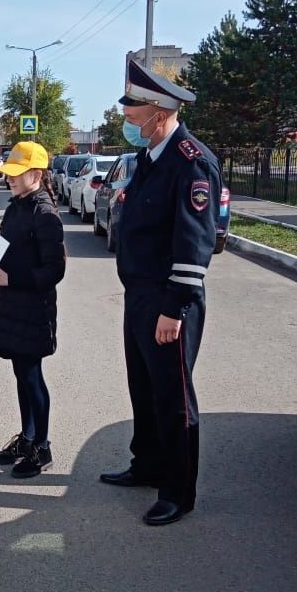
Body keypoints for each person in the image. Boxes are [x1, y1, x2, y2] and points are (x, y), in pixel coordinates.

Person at [99, 59, 222, 526]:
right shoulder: (150, 159)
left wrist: (174, 308)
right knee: (143, 387)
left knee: (173, 396)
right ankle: (146, 464)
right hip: (140, 297)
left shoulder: (191, 162)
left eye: (134, 118)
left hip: (170, 302)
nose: (130, 125)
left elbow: (194, 244)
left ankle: (177, 491)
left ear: (160, 112)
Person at [0, 141, 66, 478]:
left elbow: (55, 271)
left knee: (31, 375)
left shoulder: (45, 214)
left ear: (36, 174)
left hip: (33, 308)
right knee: (21, 374)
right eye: (8, 173)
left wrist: (14, 277)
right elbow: (8, 249)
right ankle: (27, 438)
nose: (8, 178)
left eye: (16, 173)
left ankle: (42, 447)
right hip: (12, 305)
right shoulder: (18, 206)